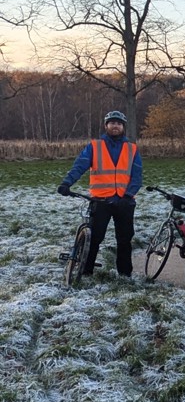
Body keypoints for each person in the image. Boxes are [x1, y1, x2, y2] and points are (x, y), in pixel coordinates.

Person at [57, 110, 142, 277]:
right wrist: (67, 183)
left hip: (125, 202)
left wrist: (128, 195)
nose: (115, 126)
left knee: (124, 240)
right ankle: (86, 271)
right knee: (94, 238)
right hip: (101, 200)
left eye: (119, 123)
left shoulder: (132, 149)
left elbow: (137, 176)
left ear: (123, 127)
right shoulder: (95, 146)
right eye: (112, 123)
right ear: (106, 126)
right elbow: (79, 166)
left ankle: (125, 274)